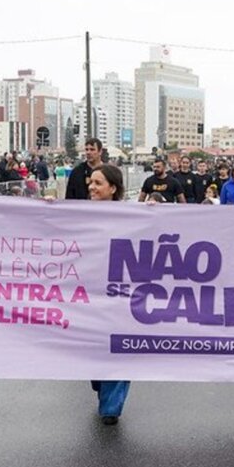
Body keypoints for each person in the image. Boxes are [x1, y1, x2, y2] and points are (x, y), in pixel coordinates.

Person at [86, 164, 131, 425]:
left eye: (98, 183)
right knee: (93, 348)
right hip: (88, 294)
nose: (92, 187)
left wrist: (157, 215)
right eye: (90, 182)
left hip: (120, 294)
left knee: (118, 347)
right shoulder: (75, 214)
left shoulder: (131, 215)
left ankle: (111, 408)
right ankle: (99, 381)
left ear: (113, 189)